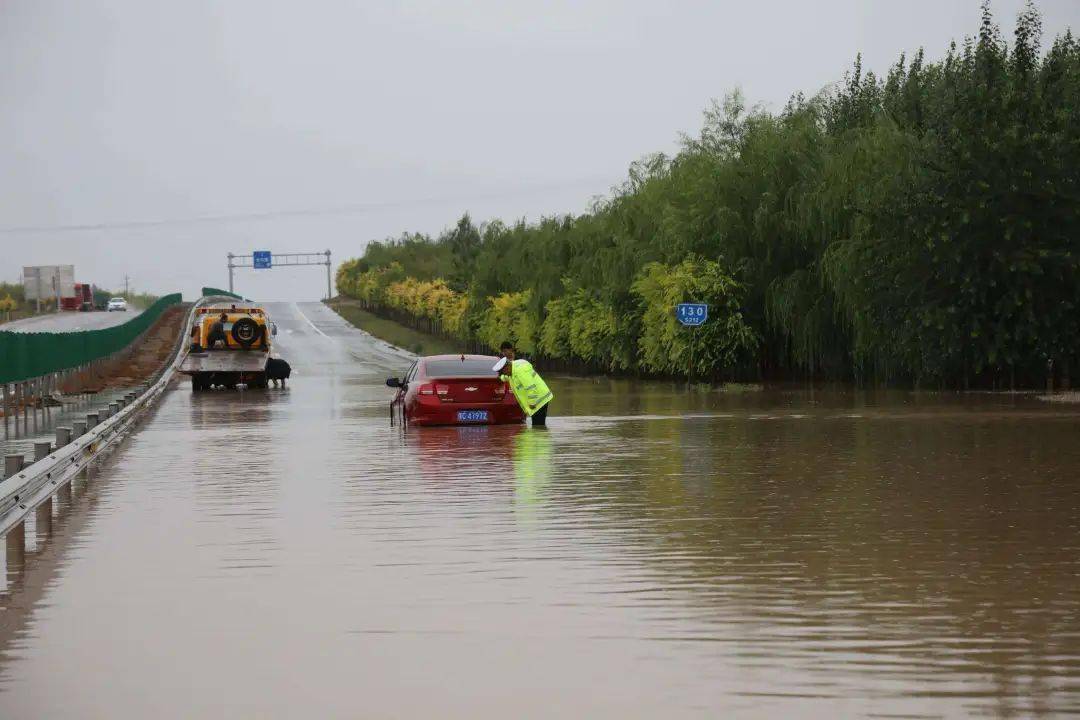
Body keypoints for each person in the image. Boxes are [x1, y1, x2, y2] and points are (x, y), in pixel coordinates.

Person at [495, 341, 553, 426]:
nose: (504, 374)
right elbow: (510, 377)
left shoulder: (519, 370)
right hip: (539, 399)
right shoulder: (513, 369)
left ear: (507, 368)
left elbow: (530, 386)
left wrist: (532, 402)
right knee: (538, 427)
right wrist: (501, 378)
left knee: (538, 427)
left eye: (503, 372)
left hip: (539, 400)